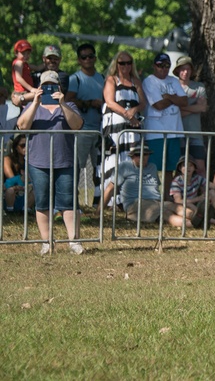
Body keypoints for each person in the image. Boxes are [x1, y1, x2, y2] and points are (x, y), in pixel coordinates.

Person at [18, 70, 86, 255]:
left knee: (69, 202)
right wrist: (34, 103)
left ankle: (74, 241)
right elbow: (22, 125)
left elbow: (77, 125)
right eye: (45, 86)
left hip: (65, 160)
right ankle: (46, 242)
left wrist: (62, 103)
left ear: (59, 87)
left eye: (52, 86)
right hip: (38, 162)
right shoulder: (32, 105)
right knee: (42, 202)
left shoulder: (69, 104)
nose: (49, 89)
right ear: (39, 87)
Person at [102, 143, 195, 228]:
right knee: (165, 213)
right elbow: (110, 189)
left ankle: (200, 219)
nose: (142, 157)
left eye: (145, 154)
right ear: (132, 156)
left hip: (156, 202)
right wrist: (99, 212)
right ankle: (192, 224)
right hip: (135, 204)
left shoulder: (152, 167)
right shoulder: (124, 167)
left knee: (174, 207)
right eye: (138, 154)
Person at [101, 51, 148, 203]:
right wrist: (128, 115)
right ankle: (111, 200)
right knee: (115, 158)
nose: (125, 66)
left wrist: (134, 111)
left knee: (131, 158)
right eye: (122, 63)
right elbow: (110, 102)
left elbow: (143, 102)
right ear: (116, 64)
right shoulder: (111, 80)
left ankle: (128, 196)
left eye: (129, 63)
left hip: (133, 128)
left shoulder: (136, 81)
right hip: (116, 127)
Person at [64, 43, 105, 207]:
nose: (87, 59)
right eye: (84, 57)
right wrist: (88, 103)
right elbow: (68, 100)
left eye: (90, 56)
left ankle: (97, 200)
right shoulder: (75, 78)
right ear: (79, 60)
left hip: (99, 129)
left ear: (95, 58)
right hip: (81, 130)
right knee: (77, 167)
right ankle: (72, 201)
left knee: (100, 168)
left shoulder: (102, 77)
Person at [141, 53, 187, 180]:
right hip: (156, 132)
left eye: (167, 66)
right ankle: (153, 196)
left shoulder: (173, 80)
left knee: (171, 168)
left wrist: (169, 97)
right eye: (160, 65)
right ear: (154, 66)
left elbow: (184, 101)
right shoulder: (149, 81)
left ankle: (167, 197)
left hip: (174, 131)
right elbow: (158, 105)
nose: (164, 69)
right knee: (153, 167)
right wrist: (175, 98)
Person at [173, 56, 208, 176]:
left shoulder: (199, 86)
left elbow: (203, 107)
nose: (185, 72)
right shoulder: (172, 86)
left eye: (188, 69)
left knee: (200, 168)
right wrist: (194, 107)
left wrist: (181, 108)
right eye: (182, 69)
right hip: (177, 133)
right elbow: (173, 112)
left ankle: (202, 194)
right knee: (179, 168)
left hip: (195, 133)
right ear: (177, 70)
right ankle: (177, 194)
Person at [3, 133, 31, 215]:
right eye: (23, 145)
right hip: (11, 189)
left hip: (27, 189)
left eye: (28, 145)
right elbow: (11, 179)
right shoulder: (7, 159)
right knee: (11, 190)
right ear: (16, 147)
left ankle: (26, 211)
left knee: (35, 191)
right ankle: (10, 211)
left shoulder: (33, 160)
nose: (26, 148)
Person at [10, 39, 37, 107]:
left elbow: (37, 68)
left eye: (27, 53)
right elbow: (18, 78)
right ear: (16, 53)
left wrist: (46, 63)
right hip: (21, 93)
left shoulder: (25, 64)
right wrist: (31, 89)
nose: (26, 56)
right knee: (38, 94)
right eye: (23, 53)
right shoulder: (19, 63)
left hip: (24, 92)